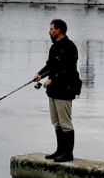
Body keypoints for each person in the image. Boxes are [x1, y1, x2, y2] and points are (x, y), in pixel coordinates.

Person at [32, 18, 81, 162]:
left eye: (52, 29)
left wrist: (52, 80)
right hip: (53, 91)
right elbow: (51, 66)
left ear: (59, 30)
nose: (50, 31)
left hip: (65, 90)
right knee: (56, 122)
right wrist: (40, 74)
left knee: (65, 122)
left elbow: (67, 69)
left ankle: (68, 154)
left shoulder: (70, 47)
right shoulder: (54, 47)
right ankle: (60, 150)